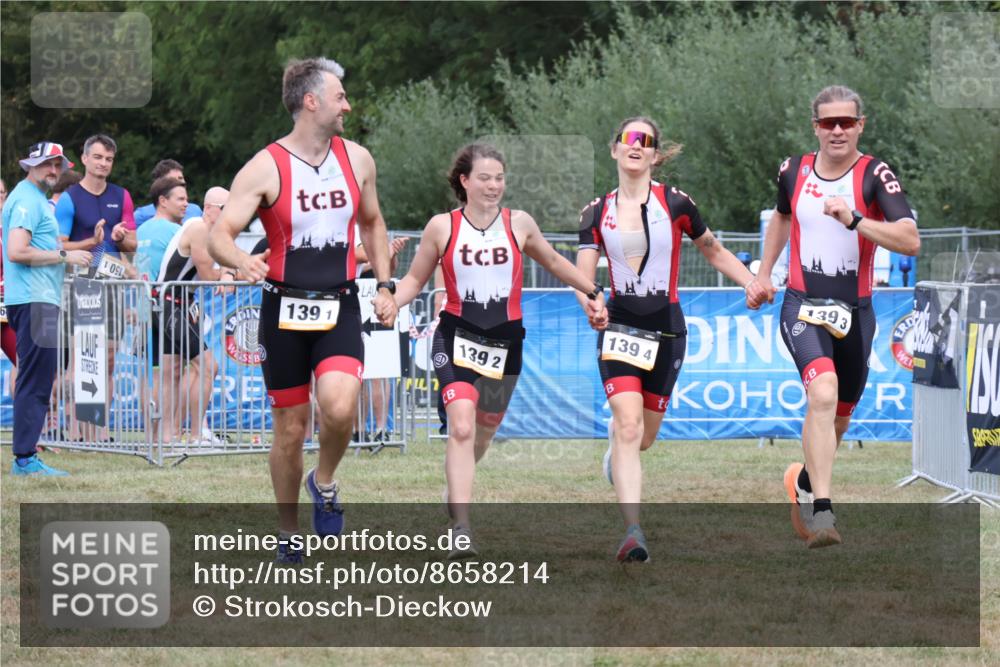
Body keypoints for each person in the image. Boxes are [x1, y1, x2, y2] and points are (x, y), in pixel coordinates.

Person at [209, 57, 397, 563]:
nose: (347, 105)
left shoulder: (358, 159)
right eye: (340, 96)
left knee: (339, 408)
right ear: (310, 101)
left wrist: (385, 284)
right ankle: (288, 528)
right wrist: (242, 260)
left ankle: (326, 480)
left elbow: (374, 224)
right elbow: (218, 235)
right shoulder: (265, 165)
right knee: (290, 428)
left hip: (340, 304)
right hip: (282, 310)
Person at [393, 143, 606, 558]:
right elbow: (415, 280)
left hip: (505, 344)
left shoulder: (519, 223)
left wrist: (593, 291)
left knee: (484, 432)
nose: (494, 185)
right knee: (461, 425)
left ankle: (456, 488)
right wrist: (390, 300)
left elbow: (556, 263)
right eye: (485, 178)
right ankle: (462, 527)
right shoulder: (442, 226)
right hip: (455, 335)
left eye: (500, 178)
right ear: (464, 181)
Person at [577, 117, 769, 563]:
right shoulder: (594, 212)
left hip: (667, 329)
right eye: (628, 139)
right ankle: (632, 531)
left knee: (643, 437)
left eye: (646, 141)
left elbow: (714, 250)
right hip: (619, 326)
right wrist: (591, 299)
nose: (636, 146)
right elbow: (583, 270)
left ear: (656, 155)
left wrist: (750, 282)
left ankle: (617, 452)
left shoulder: (676, 203)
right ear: (614, 150)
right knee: (628, 425)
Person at [754, 85, 920, 549]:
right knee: (822, 394)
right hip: (802, 304)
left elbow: (909, 240)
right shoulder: (793, 170)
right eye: (829, 123)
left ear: (860, 125)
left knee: (839, 419)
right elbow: (783, 218)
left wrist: (854, 221)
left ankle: (803, 480)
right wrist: (765, 274)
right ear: (816, 128)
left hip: (857, 312)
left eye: (847, 122)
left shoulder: (875, 176)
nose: (838, 130)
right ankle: (822, 513)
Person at [2, 142, 91, 476]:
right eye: (47, 165)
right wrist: (66, 256)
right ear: (30, 165)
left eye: (58, 165)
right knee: (36, 381)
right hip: (33, 299)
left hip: (37, 299)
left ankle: (26, 455)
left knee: (38, 378)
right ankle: (25, 458)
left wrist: (74, 257)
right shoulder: (26, 200)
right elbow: (16, 251)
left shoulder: (35, 200)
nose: (54, 171)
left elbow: (42, 250)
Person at [133, 159, 204, 227]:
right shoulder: (141, 215)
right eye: (173, 181)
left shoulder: (195, 210)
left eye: (180, 178)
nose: (180, 182)